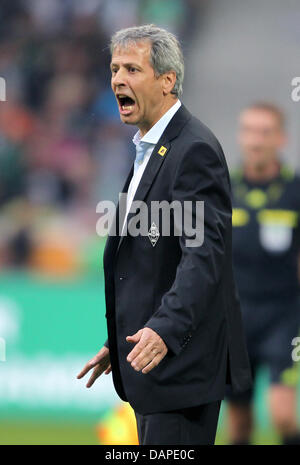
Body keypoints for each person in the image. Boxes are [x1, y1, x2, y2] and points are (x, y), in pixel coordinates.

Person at [77, 24, 251, 445]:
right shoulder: (149, 148)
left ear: (167, 81)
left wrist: (165, 329)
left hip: (180, 369)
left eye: (133, 69)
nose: (118, 78)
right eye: (115, 68)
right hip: (153, 367)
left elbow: (203, 255)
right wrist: (121, 340)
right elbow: (152, 261)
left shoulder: (193, 150)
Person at [226, 103, 300, 445]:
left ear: (280, 138)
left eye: (265, 132)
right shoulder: (222, 189)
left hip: (286, 317)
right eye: (249, 131)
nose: (256, 141)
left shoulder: (295, 190)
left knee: (283, 415)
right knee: (239, 424)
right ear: (241, 137)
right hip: (236, 317)